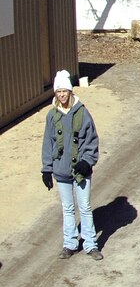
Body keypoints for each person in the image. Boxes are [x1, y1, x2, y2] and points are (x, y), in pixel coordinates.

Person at [41, 70, 103, 261]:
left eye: (64, 91)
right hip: (61, 171)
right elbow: (48, 143)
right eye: (58, 91)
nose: (62, 95)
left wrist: (87, 161)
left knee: (84, 207)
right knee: (67, 208)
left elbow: (91, 140)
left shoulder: (82, 113)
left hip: (80, 171)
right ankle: (69, 244)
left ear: (70, 91)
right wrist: (46, 169)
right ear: (55, 93)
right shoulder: (52, 116)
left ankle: (91, 244)